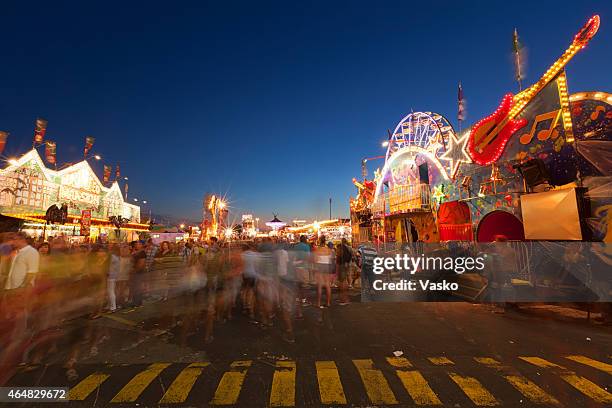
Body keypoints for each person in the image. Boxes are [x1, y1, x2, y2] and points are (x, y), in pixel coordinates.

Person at [313, 236, 334, 308]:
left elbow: (315, 261)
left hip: (320, 267)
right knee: (328, 285)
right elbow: (331, 260)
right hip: (327, 267)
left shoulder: (317, 250)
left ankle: (318, 303)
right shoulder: (328, 250)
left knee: (320, 286)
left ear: (319, 241)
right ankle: (328, 302)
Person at [129, 241, 146, 307]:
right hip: (135, 272)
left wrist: (135, 271)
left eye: (138, 244)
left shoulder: (142, 253)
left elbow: (141, 263)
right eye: (135, 244)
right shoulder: (135, 252)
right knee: (134, 287)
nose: (136, 246)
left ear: (141, 245)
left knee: (137, 287)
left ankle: (137, 302)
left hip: (138, 273)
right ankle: (136, 301)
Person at [336, 238, 352, 305]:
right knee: (343, 281)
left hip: (343, 266)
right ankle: (343, 299)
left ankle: (344, 300)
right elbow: (350, 256)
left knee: (343, 282)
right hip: (344, 265)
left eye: (338, 250)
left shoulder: (343, 249)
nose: (337, 251)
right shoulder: (346, 248)